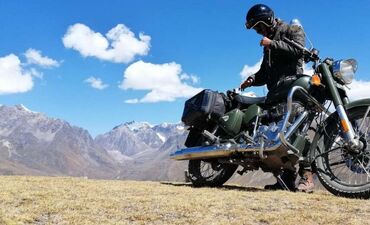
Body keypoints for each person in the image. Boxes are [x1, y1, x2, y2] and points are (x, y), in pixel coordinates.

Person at [240, 4, 314, 193]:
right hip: (275, 95)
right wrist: (252, 80)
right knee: (275, 137)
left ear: (267, 20)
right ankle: (287, 179)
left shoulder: (292, 29)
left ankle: (307, 177)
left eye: (258, 27)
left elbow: (299, 51)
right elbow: (265, 72)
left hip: (293, 90)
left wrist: (271, 43)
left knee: (298, 133)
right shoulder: (268, 43)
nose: (258, 32)